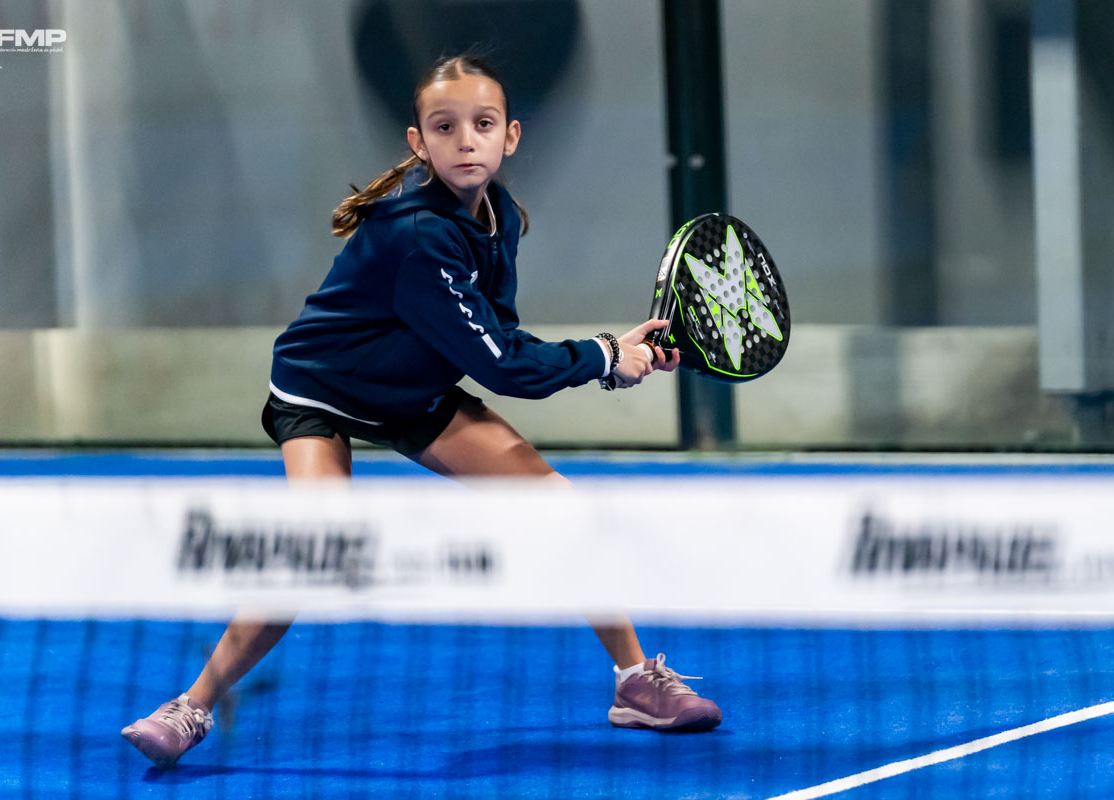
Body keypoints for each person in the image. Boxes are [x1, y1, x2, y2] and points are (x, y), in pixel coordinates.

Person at [122, 54, 721, 770]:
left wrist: (613, 359)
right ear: (419, 142)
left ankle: (634, 682)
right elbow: (501, 367)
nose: (466, 140)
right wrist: (601, 357)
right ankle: (191, 706)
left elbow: (497, 335)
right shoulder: (418, 237)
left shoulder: (500, 218)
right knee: (313, 547)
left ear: (511, 136)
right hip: (322, 390)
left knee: (560, 509)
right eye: (445, 127)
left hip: (414, 391)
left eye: (483, 124)